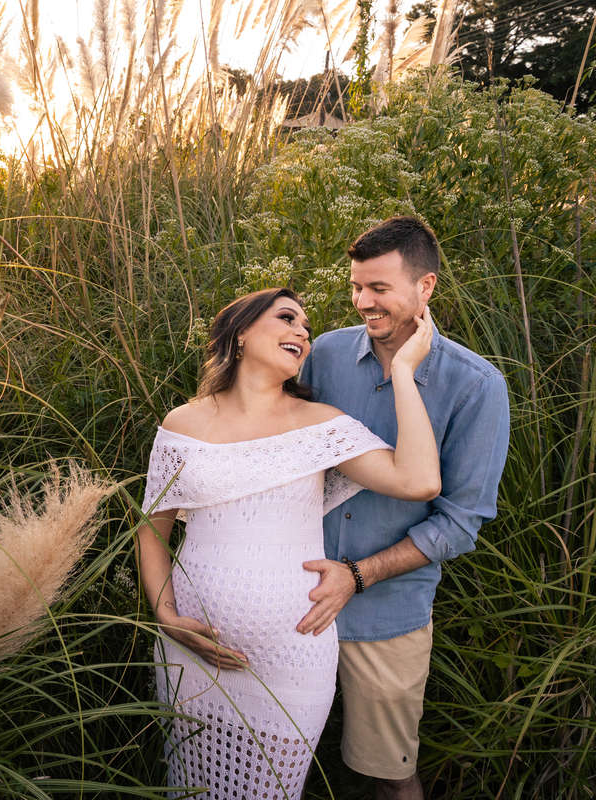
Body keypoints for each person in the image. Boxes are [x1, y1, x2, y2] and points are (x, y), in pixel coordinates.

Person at [137, 286, 441, 799]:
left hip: (291, 655)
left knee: (271, 790)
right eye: (286, 318)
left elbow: (418, 481)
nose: (303, 331)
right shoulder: (182, 424)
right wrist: (165, 615)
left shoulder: (319, 425)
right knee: (188, 787)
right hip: (191, 649)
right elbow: (152, 530)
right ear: (239, 334)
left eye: (306, 325)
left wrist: (405, 372)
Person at [298, 217, 510, 799]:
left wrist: (359, 577)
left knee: (387, 776)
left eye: (380, 289)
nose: (363, 302)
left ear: (426, 287)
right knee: (281, 760)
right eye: (356, 288)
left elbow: (460, 523)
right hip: (292, 599)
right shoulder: (326, 355)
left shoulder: (476, 385)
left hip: (386, 616)